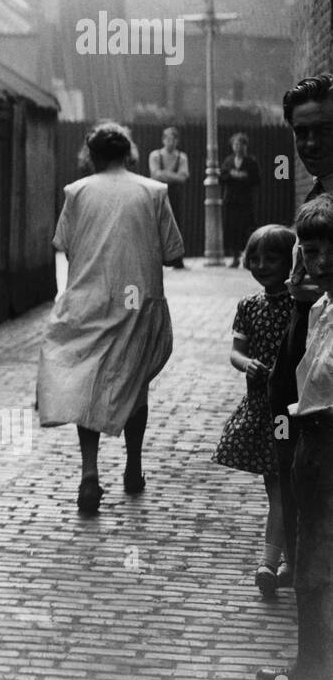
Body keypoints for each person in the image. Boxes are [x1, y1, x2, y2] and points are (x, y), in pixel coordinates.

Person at [38, 121, 184, 514]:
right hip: (137, 305)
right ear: (129, 153)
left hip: (87, 302)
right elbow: (173, 251)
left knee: (88, 385)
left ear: (91, 156)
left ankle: (89, 473)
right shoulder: (154, 192)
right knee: (134, 386)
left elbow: (67, 247)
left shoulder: (77, 192)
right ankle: (133, 467)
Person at [258, 73, 333, 680]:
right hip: (304, 383)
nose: (309, 142)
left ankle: (311, 673)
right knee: (305, 523)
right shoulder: (316, 191)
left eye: (322, 130)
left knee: (317, 548)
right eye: (300, 132)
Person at [210, 224, 295, 597]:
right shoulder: (248, 306)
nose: (262, 265)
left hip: (290, 409)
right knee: (277, 482)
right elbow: (236, 351)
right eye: (255, 258)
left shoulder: (301, 305)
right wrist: (247, 365)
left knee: (283, 484)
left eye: (272, 258)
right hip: (265, 409)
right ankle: (285, 558)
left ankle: (269, 561)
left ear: (291, 261)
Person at [149, 126, 189, 269]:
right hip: (158, 193)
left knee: (176, 223)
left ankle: (177, 259)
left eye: (173, 139)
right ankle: (157, 259)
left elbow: (183, 177)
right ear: (163, 140)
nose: (170, 142)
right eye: (167, 139)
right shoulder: (155, 155)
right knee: (156, 224)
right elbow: (154, 174)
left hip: (175, 194)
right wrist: (174, 176)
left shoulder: (182, 157)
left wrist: (164, 174)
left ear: (177, 141)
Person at [221, 132, 261, 268]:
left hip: (245, 201)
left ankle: (248, 257)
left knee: (246, 228)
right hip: (230, 201)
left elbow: (256, 180)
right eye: (235, 144)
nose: (238, 147)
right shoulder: (228, 161)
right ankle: (234, 257)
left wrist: (241, 176)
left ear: (245, 146)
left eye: (241, 144)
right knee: (231, 228)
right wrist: (235, 174)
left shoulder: (251, 161)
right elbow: (222, 177)